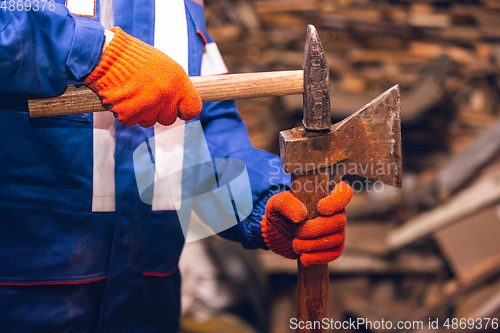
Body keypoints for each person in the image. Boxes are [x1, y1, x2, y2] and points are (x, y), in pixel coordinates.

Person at [0, 1, 352, 332]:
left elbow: (201, 137)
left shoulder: (185, 6)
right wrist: (91, 51)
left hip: (146, 303)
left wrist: (264, 205)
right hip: (19, 300)